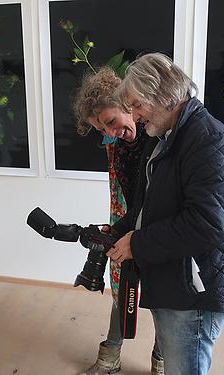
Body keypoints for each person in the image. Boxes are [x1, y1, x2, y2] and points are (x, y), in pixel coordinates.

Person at [105, 52, 224, 375]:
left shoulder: (208, 141)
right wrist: (118, 230)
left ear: (163, 95)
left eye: (137, 105)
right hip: (177, 285)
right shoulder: (169, 137)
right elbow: (152, 205)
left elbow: (207, 224)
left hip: (195, 297)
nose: (135, 116)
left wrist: (138, 244)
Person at [72, 67, 164, 375]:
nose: (109, 132)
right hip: (127, 220)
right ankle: (110, 355)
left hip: (162, 226)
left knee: (165, 300)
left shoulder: (161, 135)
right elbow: (121, 189)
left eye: (111, 122)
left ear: (129, 103)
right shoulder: (115, 144)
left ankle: (162, 360)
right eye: (101, 129)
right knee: (122, 290)